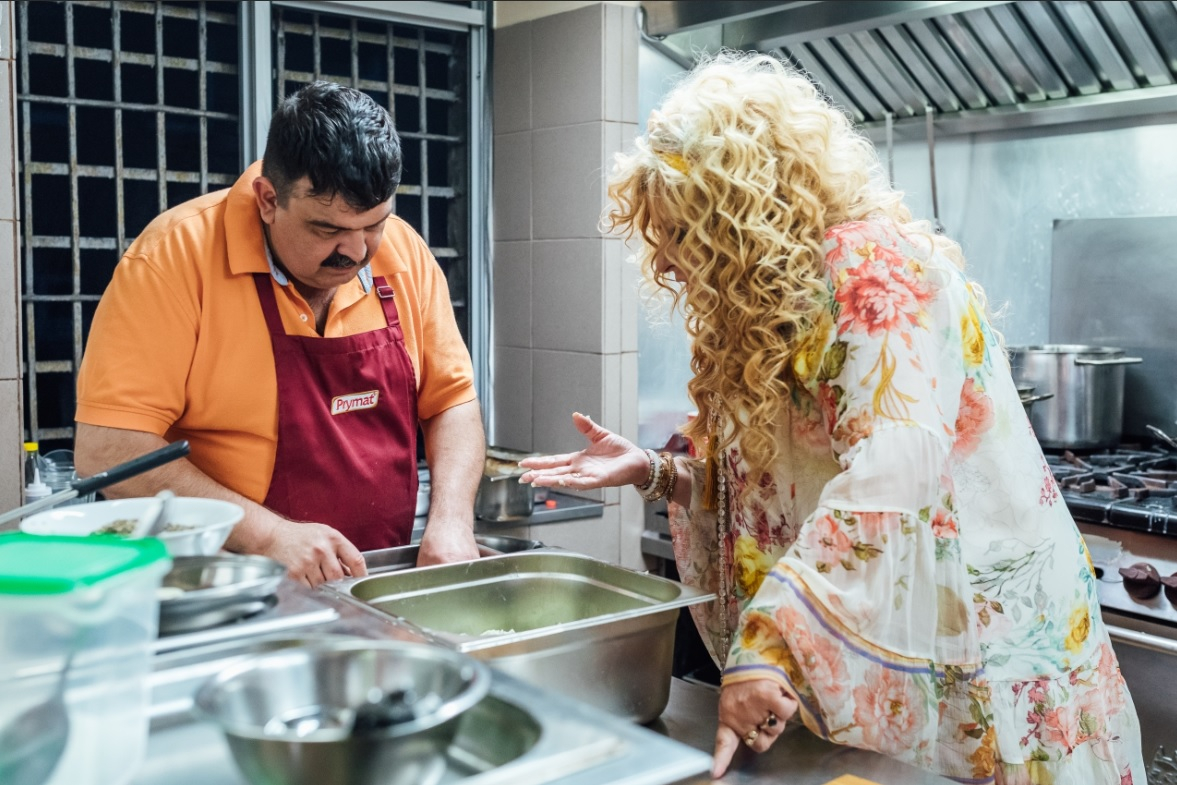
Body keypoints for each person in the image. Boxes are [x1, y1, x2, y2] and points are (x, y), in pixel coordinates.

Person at [519, 53, 1144, 784]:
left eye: (685, 236)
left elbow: (892, 469)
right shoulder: (768, 304)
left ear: (748, 215)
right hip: (911, 647)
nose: (672, 265)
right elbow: (784, 482)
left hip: (985, 650)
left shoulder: (877, 270)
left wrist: (773, 637)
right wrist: (662, 473)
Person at [75, 81, 484, 586]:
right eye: (326, 229)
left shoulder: (404, 254)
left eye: (374, 223)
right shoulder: (174, 258)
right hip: (222, 588)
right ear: (268, 200)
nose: (355, 252)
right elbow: (108, 450)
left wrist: (451, 521)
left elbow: (452, 401)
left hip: (375, 583)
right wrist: (268, 535)